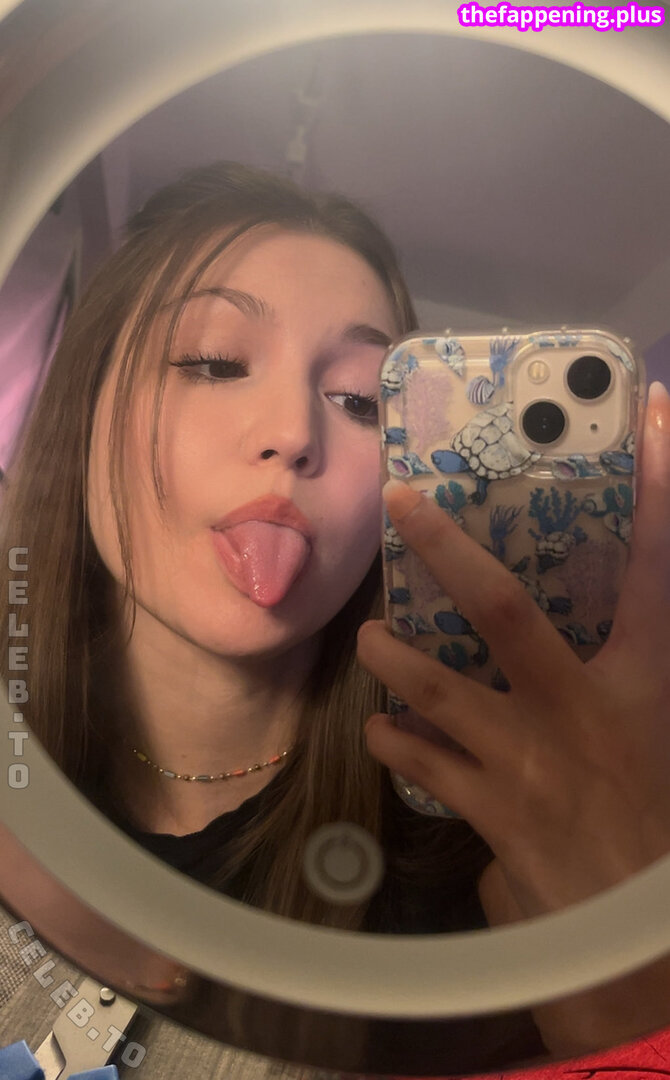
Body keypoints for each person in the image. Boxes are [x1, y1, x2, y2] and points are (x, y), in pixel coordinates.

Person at [1, 161, 669, 1073]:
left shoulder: (480, 887)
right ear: (84, 407)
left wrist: (627, 1014)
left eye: (360, 401)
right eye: (214, 362)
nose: (292, 433)